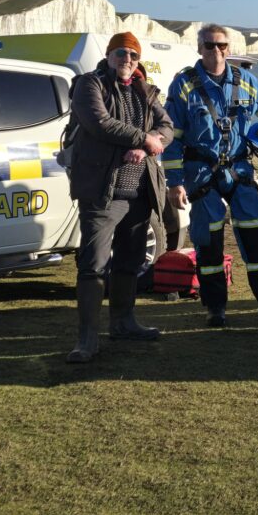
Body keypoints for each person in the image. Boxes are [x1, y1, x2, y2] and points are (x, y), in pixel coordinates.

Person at [163, 24, 258, 327]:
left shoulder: (247, 81)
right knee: (208, 242)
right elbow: (171, 138)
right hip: (200, 175)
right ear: (200, 48)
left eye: (222, 45)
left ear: (229, 48)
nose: (216, 51)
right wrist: (174, 183)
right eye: (210, 45)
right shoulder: (184, 86)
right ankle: (215, 308)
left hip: (239, 171)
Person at [66, 32, 173, 363]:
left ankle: (124, 323)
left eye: (134, 56)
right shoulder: (89, 84)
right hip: (102, 190)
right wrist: (145, 139)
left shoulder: (146, 90)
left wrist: (150, 141)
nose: (128, 60)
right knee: (93, 264)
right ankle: (87, 339)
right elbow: (100, 123)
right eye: (121, 53)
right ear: (109, 55)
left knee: (130, 260)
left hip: (140, 192)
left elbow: (167, 126)